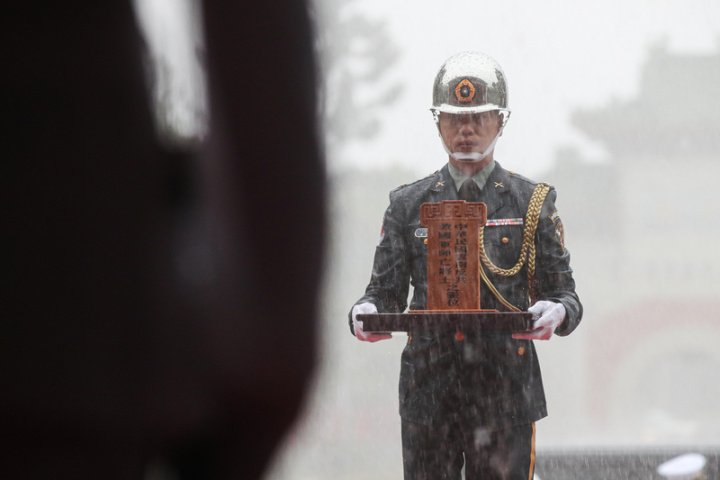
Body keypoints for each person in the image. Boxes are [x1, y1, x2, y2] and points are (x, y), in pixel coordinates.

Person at [349, 51, 582, 480]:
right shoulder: (408, 204)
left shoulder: (529, 202)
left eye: (479, 117)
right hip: (430, 388)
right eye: (455, 118)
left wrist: (559, 311)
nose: (467, 130)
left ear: (501, 121)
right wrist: (362, 313)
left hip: (505, 390)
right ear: (437, 123)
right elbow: (383, 292)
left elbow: (564, 292)